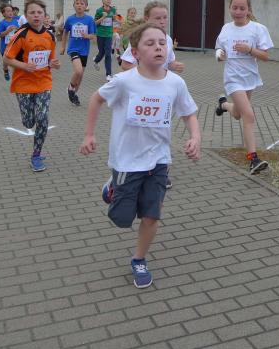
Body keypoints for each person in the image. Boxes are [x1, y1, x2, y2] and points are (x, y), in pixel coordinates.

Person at [79, 23, 201, 288]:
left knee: (152, 214)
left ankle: (139, 259)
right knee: (121, 218)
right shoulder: (124, 81)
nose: (158, 47)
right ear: (135, 53)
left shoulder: (175, 83)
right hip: (126, 160)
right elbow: (96, 99)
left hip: (159, 160)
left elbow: (189, 113)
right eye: (150, 43)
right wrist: (89, 135)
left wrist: (195, 138)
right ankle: (112, 187)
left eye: (162, 43)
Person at [215, 0, 273, 174]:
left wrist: (249, 50)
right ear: (229, 8)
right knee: (248, 115)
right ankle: (253, 159)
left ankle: (223, 105)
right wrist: (219, 55)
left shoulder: (257, 29)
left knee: (238, 114)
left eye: (242, 8)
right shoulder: (226, 28)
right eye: (234, 8)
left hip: (250, 78)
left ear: (248, 10)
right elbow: (218, 48)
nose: (238, 12)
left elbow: (266, 56)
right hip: (232, 79)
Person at [3, 0, 61, 172]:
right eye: (32, 13)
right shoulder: (21, 34)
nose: (36, 15)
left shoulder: (50, 35)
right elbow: (7, 58)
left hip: (43, 82)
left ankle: (36, 154)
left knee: (42, 119)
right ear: (26, 16)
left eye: (39, 12)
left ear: (44, 15)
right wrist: (24, 66)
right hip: (23, 84)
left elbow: (52, 60)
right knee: (29, 123)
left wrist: (54, 64)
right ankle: (28, 119)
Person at [120, 1, 184, 74]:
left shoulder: (168, 39)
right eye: (158, 18)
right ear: (146, 19)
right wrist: (148, 74)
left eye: (165, 17)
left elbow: (168, 63)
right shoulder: (139, 38)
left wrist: (175, 66)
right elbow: (125, 65)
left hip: (160, 79)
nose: (162, 21)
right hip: (143, 80)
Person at [60, 0, 96, 106]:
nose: (79, 5)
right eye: (77, 3)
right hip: (73, 49)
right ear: (74, 5)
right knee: (78, 71)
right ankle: (70, 88)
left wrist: (87, 36)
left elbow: (93, 35)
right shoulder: (70, 19)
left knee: (80, 76)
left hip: (84, 50)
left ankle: (74, 95)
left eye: (82, 4)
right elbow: (65, 32)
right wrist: (63, 46)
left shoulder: (89, 20)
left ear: (86, 6)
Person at [93, 0, 117, 80]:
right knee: (101, 52)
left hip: (109, 34)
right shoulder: (99, 10)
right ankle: (96, 60)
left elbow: (114, 20)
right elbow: (95, 23)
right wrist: (103, 17)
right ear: (103, 0)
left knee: (108, 54)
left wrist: (114, 18)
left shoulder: (113, 10)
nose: (108, 0)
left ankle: (108, 74)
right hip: (100, 34)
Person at [0, 4, 21, 81]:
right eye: (8, 11)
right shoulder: (2, 23)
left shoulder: (17, 20)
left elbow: (22, 27)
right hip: (5, 47)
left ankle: (16, 78)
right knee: (6, 63)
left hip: (15, 46)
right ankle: (5, 70)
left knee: (15, 63)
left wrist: (18, 29)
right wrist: (8, 30)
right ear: (3, 13)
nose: (10, 12)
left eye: (11, 11)